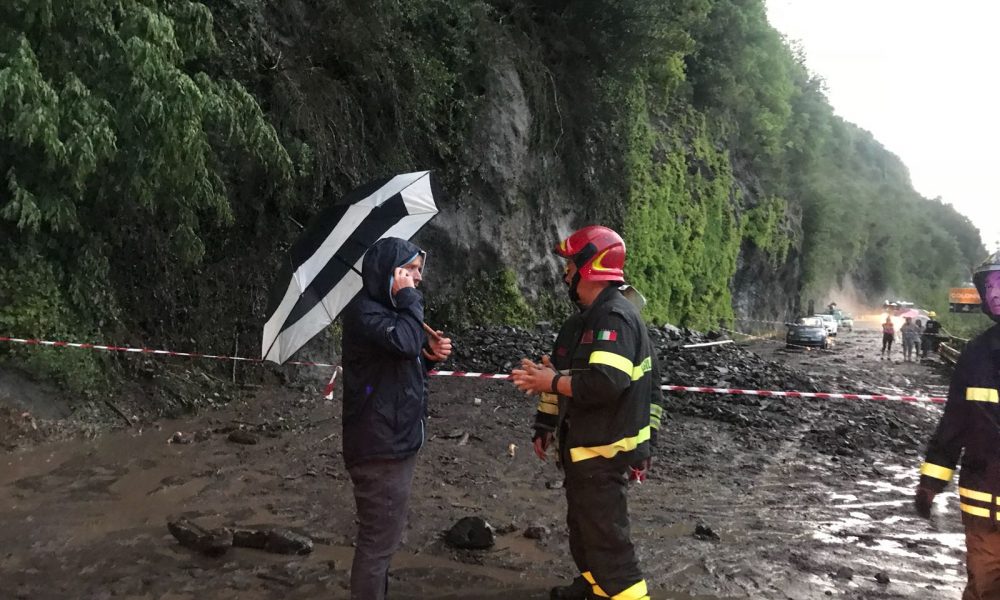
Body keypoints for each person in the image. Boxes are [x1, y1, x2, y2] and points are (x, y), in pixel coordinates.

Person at [511, 226, 662, 600]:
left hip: (604, 453)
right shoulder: (582, 323)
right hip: (583, 451)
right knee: (583, 533)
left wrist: (549, 382)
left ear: (589, 267)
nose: (565, 274)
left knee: (610, 548)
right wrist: (545, 421)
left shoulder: (615, 319)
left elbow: (604, 383)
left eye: (570, 265)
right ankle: (593, 589)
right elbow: (562, 374)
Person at [340, 237, 453, 600]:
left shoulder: (388, 314)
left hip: (395, 440)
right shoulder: (365, 313)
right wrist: (409, 301)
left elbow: (405, 364)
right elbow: (404, 344)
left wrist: (430, 357)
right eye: (413, 270)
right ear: (395, 272)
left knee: (383, 541)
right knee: (377, 544)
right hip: (379, 447)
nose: (419, 279)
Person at [915, 251, 1000, 599]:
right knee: (986, 585)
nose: (994, 293)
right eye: (990, 285)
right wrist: (930, 483)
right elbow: (953, 425)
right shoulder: (976, 353)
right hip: (984, 506)